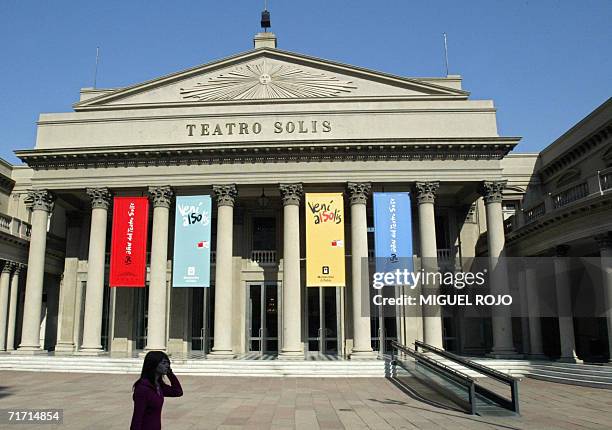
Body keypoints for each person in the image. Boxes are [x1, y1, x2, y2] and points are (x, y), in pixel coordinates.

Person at [130, 351, 183, 430]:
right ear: (153, 364)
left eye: (168, 363)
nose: (167, 366)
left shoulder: (158, 385)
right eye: (164, 363)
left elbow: (177, 391)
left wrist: (170, 373)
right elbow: (137, 418)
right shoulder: (143, 388)